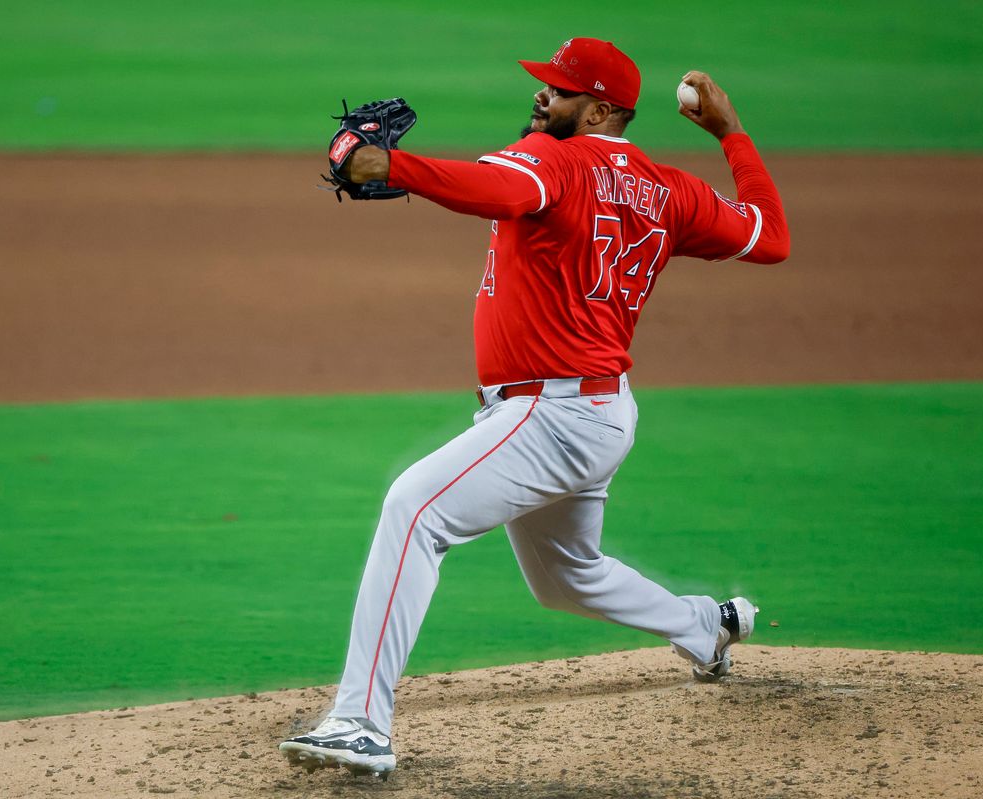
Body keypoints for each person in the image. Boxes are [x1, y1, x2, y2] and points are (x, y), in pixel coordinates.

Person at [279, 37, 790, 778]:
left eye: (561, 90)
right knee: (565, 574)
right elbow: (769, 237)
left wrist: (387, 164)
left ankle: (360, 720)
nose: (543, 97)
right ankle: (703, 625)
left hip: (553, 413)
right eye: (546, 84)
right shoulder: (670, 188)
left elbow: (496, 192)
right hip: (600, 412)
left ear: (603, 111)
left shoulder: (556, 162)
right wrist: (730, 134)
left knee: (414, 508)